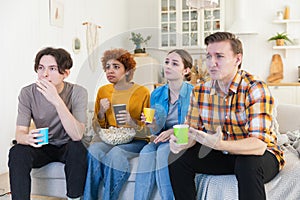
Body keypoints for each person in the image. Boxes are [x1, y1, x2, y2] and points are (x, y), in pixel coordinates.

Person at [168, 32, 285, 200]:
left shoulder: (254, 88)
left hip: (260, 154)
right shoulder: (200, 91)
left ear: (238, 59)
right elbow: (192, 134)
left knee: (247, 163)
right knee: (176, 158)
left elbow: (258, 145)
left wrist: (220, 144)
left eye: (220, 56)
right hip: (222, 153)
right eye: (209, 56)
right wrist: (180, 144)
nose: (212, 63)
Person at [8, 47, 88, 200]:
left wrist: (56, 100)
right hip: (43, 146)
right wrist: (27, 139)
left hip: (68, 145)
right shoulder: (27, 93)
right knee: (17, 151)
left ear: (65, 73)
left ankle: (74, 197)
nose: (44, 74)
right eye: (41, 68)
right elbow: (19, 134)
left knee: (77, 148)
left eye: (52, 69)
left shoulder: (78, 92)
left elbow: (77, 135)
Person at [83, 48, 150, 200]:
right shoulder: (103, 91)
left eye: (116, 67)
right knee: (93, 150)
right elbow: (97, 128)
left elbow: (148, 131)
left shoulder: (143, 92)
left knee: (116, 154)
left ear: (127, 71)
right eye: (107, 67)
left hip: (136, 140)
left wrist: (131, 121)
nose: (110, 71)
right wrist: (101, 112)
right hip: (109, 139)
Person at [134, 49, 194, 200]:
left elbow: (195, 125)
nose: (168, 66)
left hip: (181, 138)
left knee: (162, 152)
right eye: (167, 62)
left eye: (175, 64)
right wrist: (152, 124)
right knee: (146, 152)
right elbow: (155, 128)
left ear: (185, 70)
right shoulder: (156, 93)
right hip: (161, 137)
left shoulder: (194, 93)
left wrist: (172, 132)